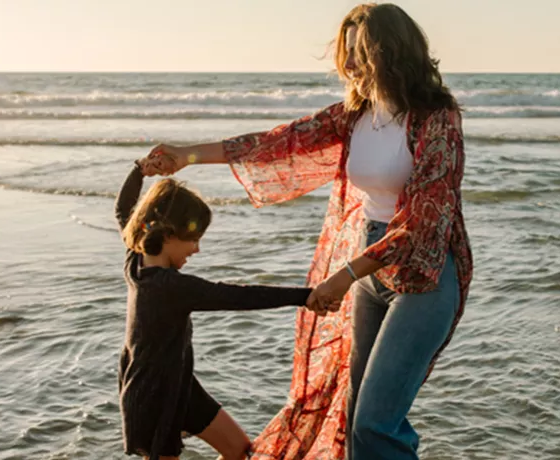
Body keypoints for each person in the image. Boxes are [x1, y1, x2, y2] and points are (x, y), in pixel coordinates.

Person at [138, 4, 473, 459]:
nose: (349, 65)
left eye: (359, 53)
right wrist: (185, 155)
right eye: (346, 54)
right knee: (354, 413)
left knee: (376, 421)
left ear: (390, 53)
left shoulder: (438, 119)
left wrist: (343, 277)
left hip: (426, 277)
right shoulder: (356, 115)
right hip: (369, 268)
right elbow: (277, 142)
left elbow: (421, 223)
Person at [115, 161, 312, 460]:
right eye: (193, 240)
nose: (196, 250)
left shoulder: (137, 259)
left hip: (180, 385)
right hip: (153, 396)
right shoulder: (169, 287)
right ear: (168, 236)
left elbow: (124, 210)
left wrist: (140, 170)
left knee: (239, 451)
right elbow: (239, 297)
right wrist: (306, 296)